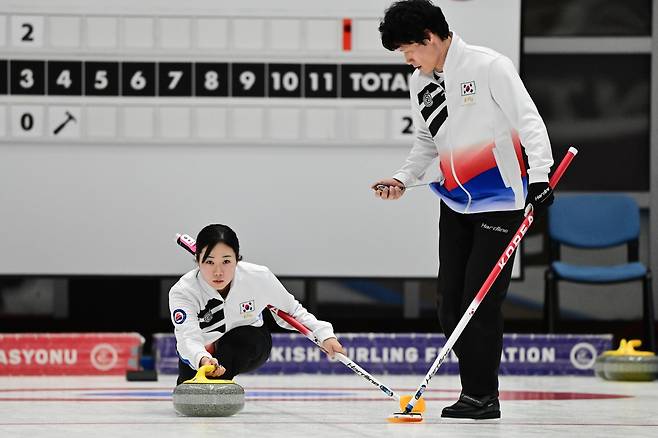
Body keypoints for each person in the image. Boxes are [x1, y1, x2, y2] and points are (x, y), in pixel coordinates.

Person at [374, 0, 554, 420]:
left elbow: (529, 121)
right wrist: (403, 179)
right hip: (454, 201)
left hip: (502, 201)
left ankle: (481, 395)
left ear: (431, 38)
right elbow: (426, 142)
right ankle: (473, 390)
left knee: (481, 301)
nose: (408, 60)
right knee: (449, 304)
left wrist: (541, 175)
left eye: (408, 50)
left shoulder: (489, 66)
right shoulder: (421, 82)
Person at [169, 224, 345, 384]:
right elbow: (188, 338)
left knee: (238, 343)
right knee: (186, 389)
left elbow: (293, 311)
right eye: (209, 262)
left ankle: (220, 382)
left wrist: (324, 335)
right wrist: (202, 359)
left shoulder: (258, 277)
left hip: (248, 343)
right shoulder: (183, 292)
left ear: (237, 259)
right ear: (198, 260)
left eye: (226, 261)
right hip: (201, 350)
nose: (218, 271)